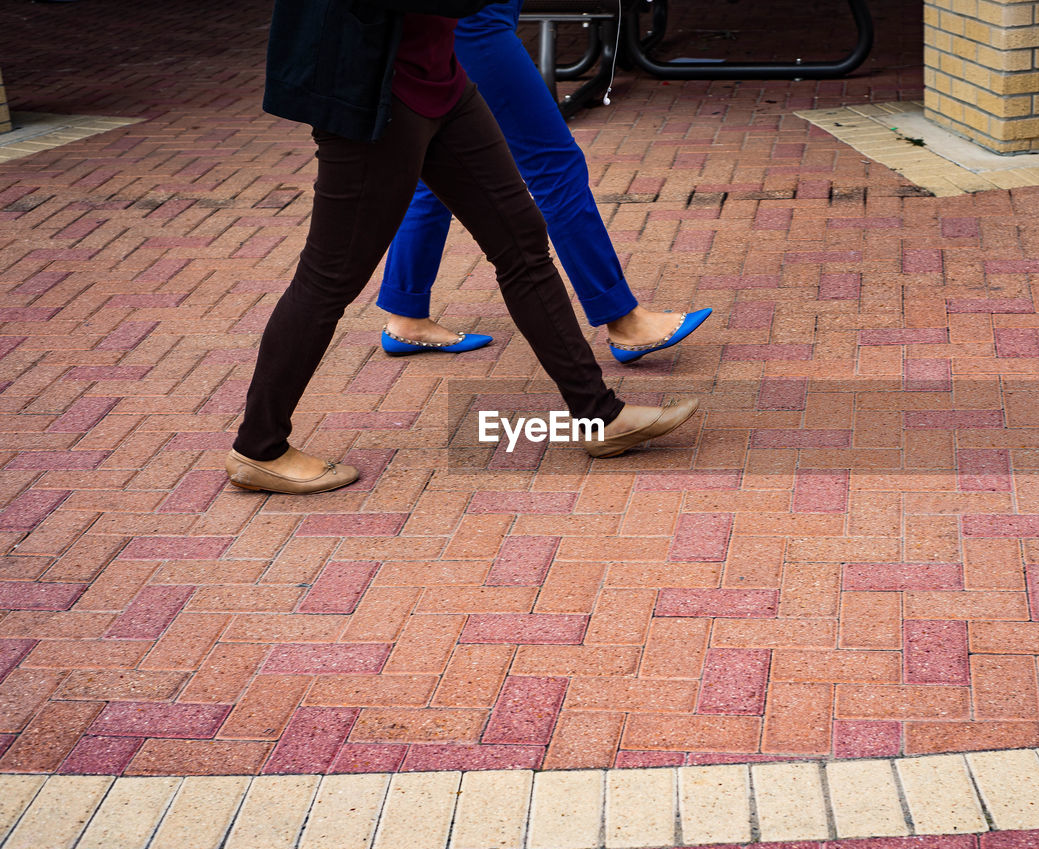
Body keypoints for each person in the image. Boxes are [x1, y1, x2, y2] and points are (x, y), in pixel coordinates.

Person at [226, 0, 697, 495]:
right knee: (329, 279)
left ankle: (600, 418)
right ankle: (259, 448)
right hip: (377, 94)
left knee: (521, 241)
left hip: (441, 79)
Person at [376, 0, 710, 363]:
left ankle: (406, 314)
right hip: (475, 22)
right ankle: (622, 319)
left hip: (450, 21)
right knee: (554, 164)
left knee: (439, 167)